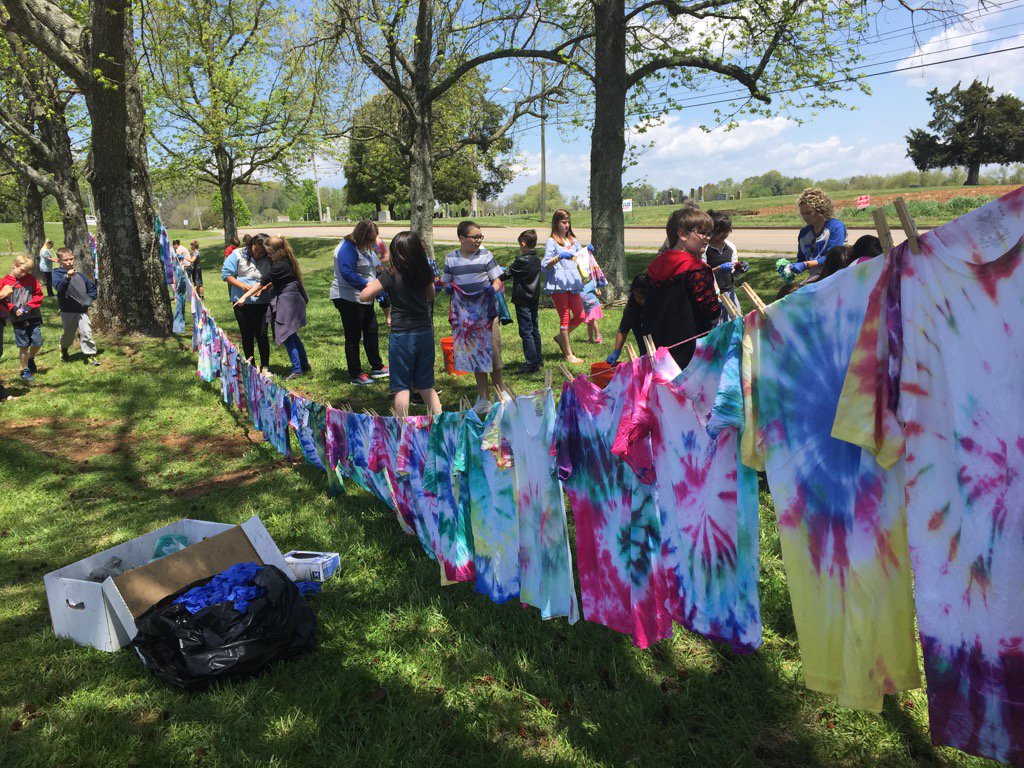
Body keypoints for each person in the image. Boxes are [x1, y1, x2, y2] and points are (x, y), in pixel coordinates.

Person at [359, 231, 442, 417]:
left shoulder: (390, 275)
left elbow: (364, 296)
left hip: (402, 335)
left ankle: (402, 430)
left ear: (396, 253)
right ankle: (438, 424)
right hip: (424, 332)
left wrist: (371, 285)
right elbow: (431, 295)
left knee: (402, 387)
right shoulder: (424, 272)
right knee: (426, 385)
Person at [644, 208, 721, 369]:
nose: (707, 238)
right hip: (691, 349)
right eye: (702, 233)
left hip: (658, 346)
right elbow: (711, 310)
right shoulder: (696, 269)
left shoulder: (654, 266)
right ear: (682, 234)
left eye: (709, 233)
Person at [442, 220, 505, 411]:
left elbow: (498, 280)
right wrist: (449, 289)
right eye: (475, 237)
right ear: (461, 238)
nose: (478, 240)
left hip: (487, 314)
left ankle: (500, 395)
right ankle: (483, 397)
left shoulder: (486, 255)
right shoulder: (451, 259)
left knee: (493, 352)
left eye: (480, 237)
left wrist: (491, 290)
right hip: (467, 318)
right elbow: (446, 282)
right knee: (477, 355)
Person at [234, 235, 309, 380]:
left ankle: (297, 369)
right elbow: (276, 281)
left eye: (271, 253)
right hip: (290, 296)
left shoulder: (279, 265)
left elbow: (261, 283)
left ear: (280, 251)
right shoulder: (285, 260)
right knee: (292, 333)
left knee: (286, 333)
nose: (268, 256)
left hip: (288, 300)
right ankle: (304, 364)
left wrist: (244, 297)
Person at [330, 221, 387, 385]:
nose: (372, 243)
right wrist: (368, 285)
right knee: (353, 335)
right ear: (362, 236)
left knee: (371, 330)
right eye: (370, 239)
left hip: (365, 298)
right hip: (348, 297)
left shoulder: (365, 248)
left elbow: (377, 266)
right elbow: (346, 272)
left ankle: (377, 366)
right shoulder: (347, 248)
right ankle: (355, 374)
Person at [221, 232, 271, 370]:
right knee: (246, 334)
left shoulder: (270, 257)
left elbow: (275, 276)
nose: (258, 255)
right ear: (251, 245)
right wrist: (241, 285)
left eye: (262, 253)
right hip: (241, 303)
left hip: (262, 302)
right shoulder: (237, 254)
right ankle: (251, 365)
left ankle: (265, 366)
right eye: (256, 250)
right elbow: (226, 275)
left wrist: (265, 287)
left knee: (262, 334)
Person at [541, 209, 586, 363]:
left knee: (581, 316)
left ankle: (561, 338)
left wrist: (588, 252)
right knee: (565, 318)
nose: (567, 225)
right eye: (563, 222)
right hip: (559, 284)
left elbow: (582, 258)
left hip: (573, 283)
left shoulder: (573, 241)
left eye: (568, 222)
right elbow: (545, 265)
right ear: (556, 223)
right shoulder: (552, 241)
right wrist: (559, 257)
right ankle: (568, 354)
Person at [52, 247, 100, 366]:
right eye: (65, 260)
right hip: (67, 311)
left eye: (71, 259)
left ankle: (90, 355)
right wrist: (67, 278)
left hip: (82, 310)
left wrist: (89, 299)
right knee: (69, 335)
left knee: (86, 332)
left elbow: (92, 288)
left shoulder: (79, 275)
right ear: (59, 261)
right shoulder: (57, 274)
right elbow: (59, 287)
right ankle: (63, 348)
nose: (69, 262)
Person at [0, 255, 44, 381]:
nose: (24, 274)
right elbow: (3, 299)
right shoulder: (4, 282)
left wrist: (29, 307)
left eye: (27, 271)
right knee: (23, 345)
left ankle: (31, 358)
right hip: (18, 319)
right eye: (22, 270)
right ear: (15, 265)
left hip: (33, 316)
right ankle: (24, 370)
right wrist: (14, 309)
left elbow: (38, 295)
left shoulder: (31, 279)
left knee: (37, 342)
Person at [505, 229, 543, 374]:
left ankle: (531, 363)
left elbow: (507, 274)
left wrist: (496, 273)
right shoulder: (537, 259)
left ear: (523, 244)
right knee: (535, 330)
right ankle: (537, 359)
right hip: (534, 298)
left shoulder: (521, 260)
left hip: (522, 300)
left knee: (526, 331)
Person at [786, 188, 847, 277]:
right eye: (802, 214)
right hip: (816, 280)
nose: (805, 217)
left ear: (821, 210)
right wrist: (789, 267)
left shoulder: (835, 227)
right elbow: (802, 259)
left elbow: (833, 257)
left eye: (809, 213)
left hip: (836, 278)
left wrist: (806, 265)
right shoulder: (804, 233)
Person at [605, 272, 650, 366]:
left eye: (642, 297)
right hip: (641, 333)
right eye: (636, 296)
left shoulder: (658, 303)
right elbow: (623, 329)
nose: (639, 300)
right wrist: (616, 351)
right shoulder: (632, 306)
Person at [704, 210, 744, 314]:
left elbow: (734, 273)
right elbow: (702, 275)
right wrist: (718, 269)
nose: (724, 234)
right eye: (720, 231)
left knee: (736, 319)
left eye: (726, 231)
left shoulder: (730, 247)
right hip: (713, 294)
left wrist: (739, 269)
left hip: (729, 291)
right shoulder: (705, 248)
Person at [579, 245, 607, 344]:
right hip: (586, 306)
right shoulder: (580, 283)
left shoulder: (592, 282)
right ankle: (590, 338)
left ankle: (598, 336)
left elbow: (598, 292)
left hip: (592, 305)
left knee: (593, 321)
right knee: (589, 323)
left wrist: (598, 291)